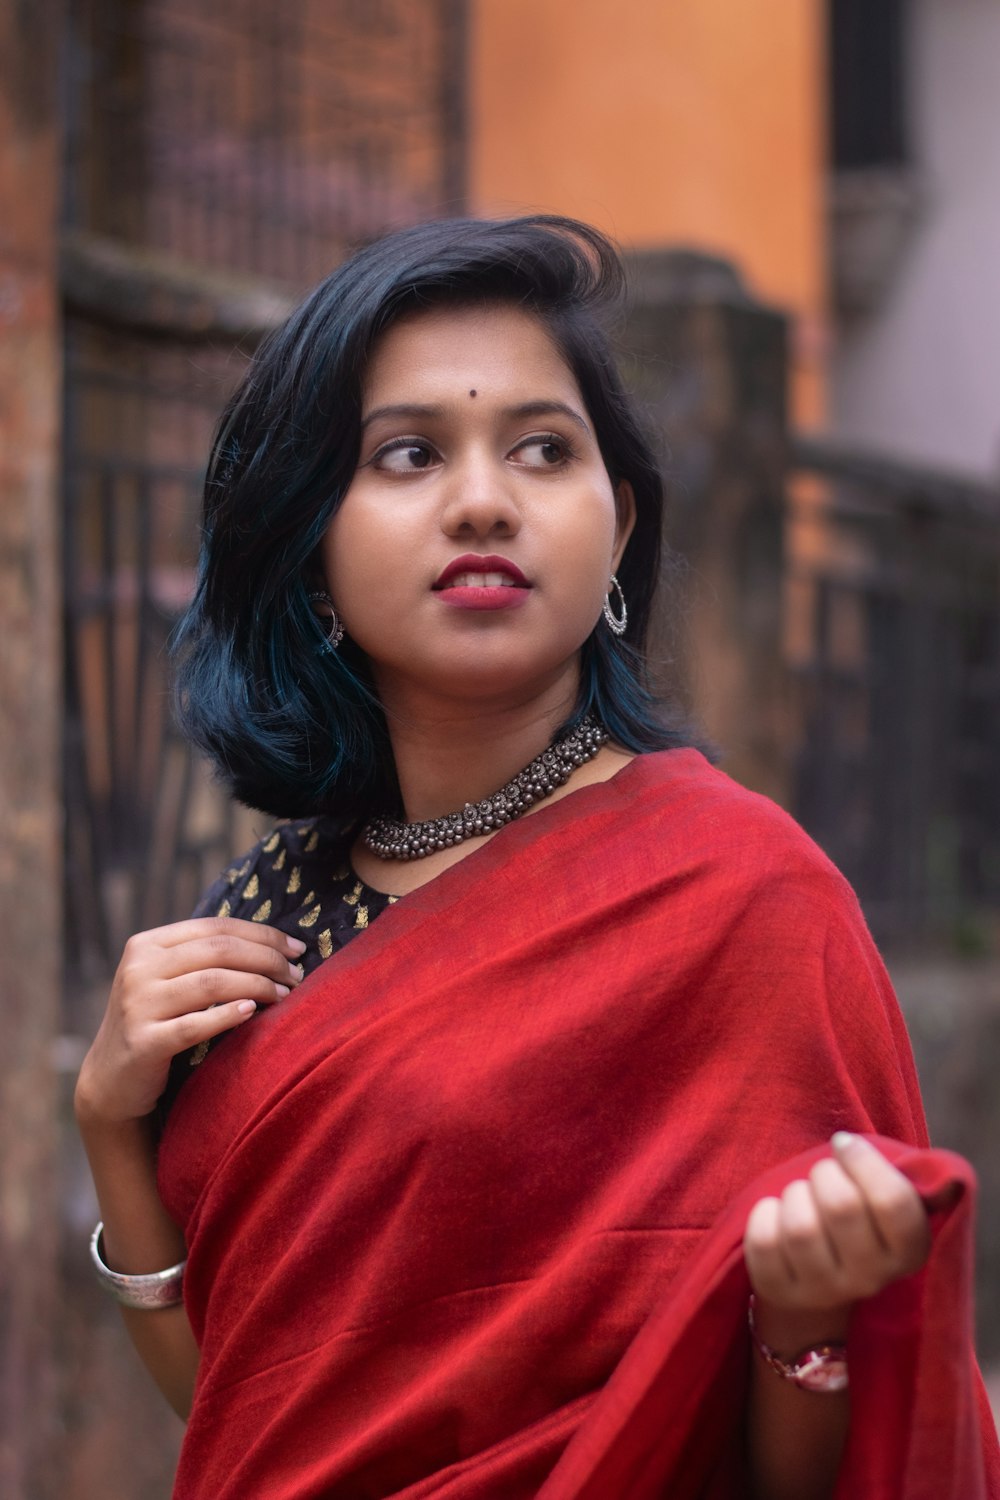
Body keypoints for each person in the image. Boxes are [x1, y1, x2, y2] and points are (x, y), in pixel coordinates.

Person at [74, 216, 1000, 1500]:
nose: (482, 499)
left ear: (614, 526)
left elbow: (859, 1447)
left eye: (542, 449)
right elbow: (248, 1407)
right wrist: (114, 1134)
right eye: (407, 454)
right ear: (314, 553)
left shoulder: (741, 897)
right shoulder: (272, 912)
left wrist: (806, 1325)